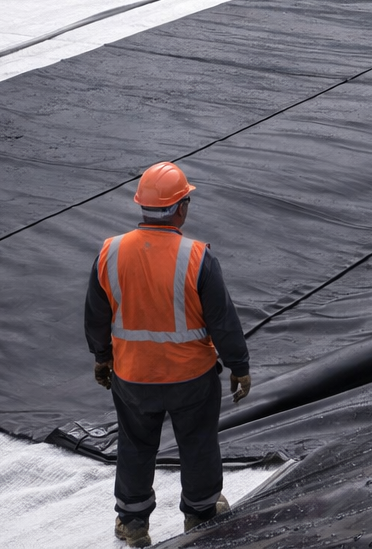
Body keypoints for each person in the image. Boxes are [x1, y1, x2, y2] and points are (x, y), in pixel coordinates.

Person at [86, 162, 250, 548]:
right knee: (197, 442)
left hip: (132, 377)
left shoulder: (110, 253)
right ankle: (201, 512)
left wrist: (102, 357)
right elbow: (223, 321)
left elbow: (96, 315)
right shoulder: (197, 258)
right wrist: (239, 367)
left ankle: (133, 522)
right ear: (182, 207)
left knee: (135, 444)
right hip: (191, 378)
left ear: (141, 205)